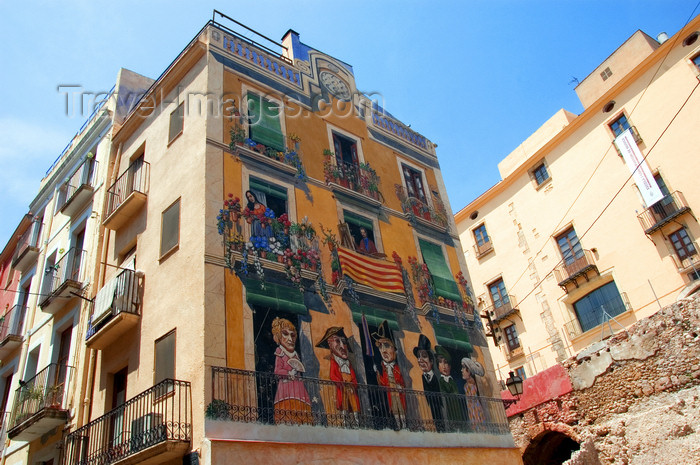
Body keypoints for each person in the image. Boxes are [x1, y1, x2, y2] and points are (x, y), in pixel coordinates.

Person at [271, 317, 312, 425]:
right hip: (286, 390)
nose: (290, 339)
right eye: (285, 334)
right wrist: (288, 373)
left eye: (292, 335)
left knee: (302, 416)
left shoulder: (295, 354)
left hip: (299, 389)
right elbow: (277, 370)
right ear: (279, 336)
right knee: (287, 415)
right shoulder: (280, 352)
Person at [316, 326, 360, 426]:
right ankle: (345, 422)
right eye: (337, 341)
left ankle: (356, 422)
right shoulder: (334, 362)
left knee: (354, 406)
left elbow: (353, 376)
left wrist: (354, 384)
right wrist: (341, 383)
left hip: (351, 388)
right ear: (330, 344)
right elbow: (333, 375)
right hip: (343, 388)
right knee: (344, 405)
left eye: (344, 342)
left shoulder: (348, 363)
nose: (342, 345)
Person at [372, 320, 406, 429]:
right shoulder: (383, 368)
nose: (383, 351)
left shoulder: (396, 367)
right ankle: (397, 424)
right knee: (394, 409)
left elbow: (401, 380)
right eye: (380, 347)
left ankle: (404, 425)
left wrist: (399, 386)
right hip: (390, 394)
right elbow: (382, 383)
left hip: (398, 393)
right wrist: (377, 374)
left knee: (401, 409)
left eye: (386, 346)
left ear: (394, 349)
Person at [413, 334, 444, 431]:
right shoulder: (422, 377)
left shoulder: (437, 378)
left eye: (424, 356)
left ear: (431, 361)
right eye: (418, 356)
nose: (420, 360)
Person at [435, 345, 465, 430]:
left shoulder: (452, 381)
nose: (444, 366)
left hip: (456, 408)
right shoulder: (440, 381)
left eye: (446, 362)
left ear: (450, 366)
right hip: (447, 409)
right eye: (441, 362)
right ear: (438, 366)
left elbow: (455, 392)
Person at [461, 357, 486, 427]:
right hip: (472, 409)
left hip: (474, 409)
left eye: (463, 368)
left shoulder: (470, 384)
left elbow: (472, 399)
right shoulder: (467, 384)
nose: (461, 370)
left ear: (469, 371)